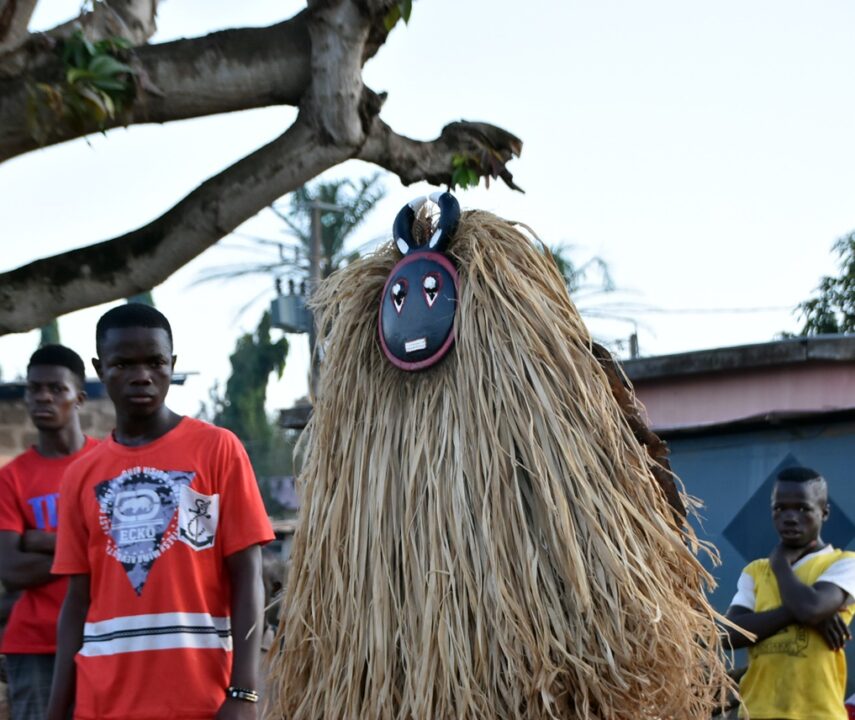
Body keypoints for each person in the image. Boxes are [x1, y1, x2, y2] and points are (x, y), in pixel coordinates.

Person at [47, 304, 273, 720]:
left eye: (155, 362)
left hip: (200, 700)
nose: (141, 375)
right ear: (100, 369)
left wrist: (244, 692)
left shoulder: (217, 450)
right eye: (123, 364)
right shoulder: (80, 475)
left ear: (172, 364)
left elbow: (248, 575)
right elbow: (76, 602)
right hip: (102, 703)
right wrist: (57, 709)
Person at [0, 345, 98, 720]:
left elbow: (119, 552)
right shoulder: (11, 478)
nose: (43, 397)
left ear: (80, 398)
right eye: (34, 388)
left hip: (101, 635)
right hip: (34, 644)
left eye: (56, 389)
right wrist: (87, 549)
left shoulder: (106, 464)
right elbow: (12, 570)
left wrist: (44, 540)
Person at [725, 466, 855, 720]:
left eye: (803, 508)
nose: (790, 517)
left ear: (824, 512)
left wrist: (780, 564)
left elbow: (811, 609)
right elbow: (729, 634)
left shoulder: (844, 563)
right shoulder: (755, 571)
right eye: (780, 508)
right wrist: (807, 613)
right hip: (756, 711)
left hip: (818, 712)